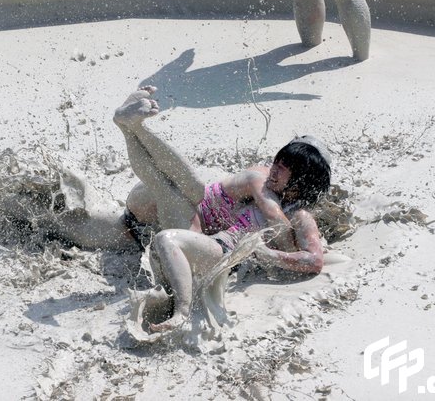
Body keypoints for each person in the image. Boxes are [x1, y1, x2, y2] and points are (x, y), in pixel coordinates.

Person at [112, 87, 331, 332]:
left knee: (171, 216)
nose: (275, 168)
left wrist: (272, 256)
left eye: (285, 166)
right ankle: (133, 128)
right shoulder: (261, 180)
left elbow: (314, 260)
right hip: (170, 215)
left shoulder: (300, 216)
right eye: (278, 160)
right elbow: (277, 224)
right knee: (188, 187)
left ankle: (130, 128)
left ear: (302, 181)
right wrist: (280, 241)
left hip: (203, 240)